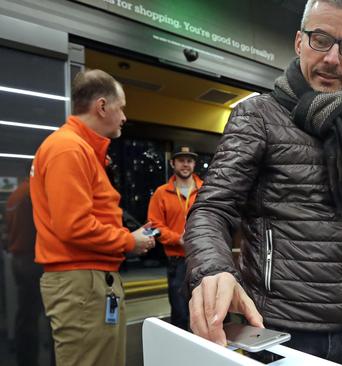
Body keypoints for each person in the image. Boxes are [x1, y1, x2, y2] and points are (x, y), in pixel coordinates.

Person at [183, 1, 342, 364]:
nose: (332, 58)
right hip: (278, 329)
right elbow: (212, 208)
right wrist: (214, 270)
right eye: (321, 39)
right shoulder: (257, 115)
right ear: (299, 42)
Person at [30, 69, 155, 366]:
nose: (124, 116)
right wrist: (129, 241)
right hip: (82, 284)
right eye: (121, 106)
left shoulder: (80, 150)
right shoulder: (69, 149)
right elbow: (73, 226)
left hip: (89, 281)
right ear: (101, 106)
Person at [147, 146, 203, 330]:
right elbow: (154, 226)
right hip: (177, 261)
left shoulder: (205, 190)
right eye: (181, 160)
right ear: (173, 163)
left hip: (203, 259)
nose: (185, 164)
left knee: (205, 312)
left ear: (194, 164)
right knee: (180, 314)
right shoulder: (161, 193)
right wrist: (177, 239)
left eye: (189, 160)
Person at [4, 179, 52, 366]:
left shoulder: (15, 195)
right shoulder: (33, 193)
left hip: (19, 259)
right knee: (53, 315)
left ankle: (25, 360)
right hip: (34, 260)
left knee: (26, 315)